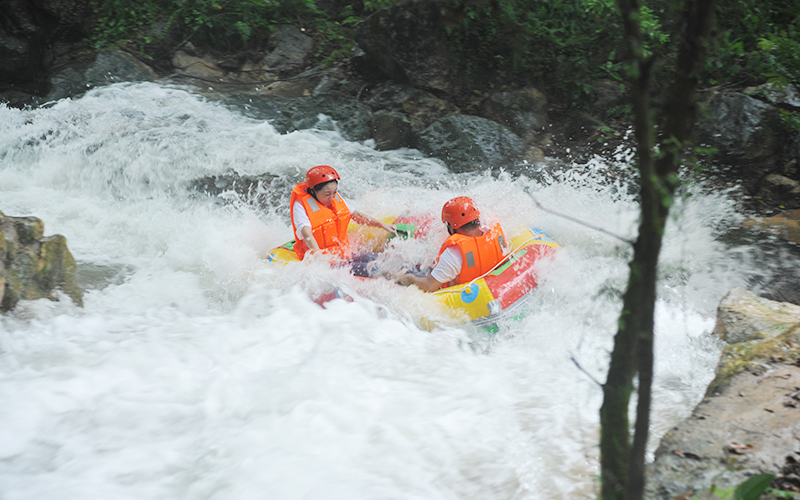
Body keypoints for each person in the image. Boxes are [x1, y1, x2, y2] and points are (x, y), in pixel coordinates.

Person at [397, 196, 508, 292]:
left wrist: (411, 278)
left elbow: (430, 285)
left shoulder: (454, 253)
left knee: (408, 271)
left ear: (452, 225)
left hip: (458, 291)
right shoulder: (495, 233)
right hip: (487, 282)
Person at [290, 165, 395, 262]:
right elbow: (307, 234)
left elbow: (357, 215)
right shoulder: (300, 205)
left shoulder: (333, 196)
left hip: (343, 253)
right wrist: (318, 258)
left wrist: (382, 225)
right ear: (313, 191)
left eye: (335, 192)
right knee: (371, 269)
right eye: (327, 194)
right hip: (326, 259)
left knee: (377, 260)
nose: (332, 197)